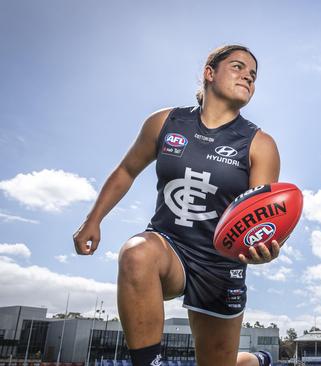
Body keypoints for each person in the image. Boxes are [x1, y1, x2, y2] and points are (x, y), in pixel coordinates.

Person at [73, 45, 278, 366]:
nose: (247, 78)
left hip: (220, 265)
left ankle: (253, 360)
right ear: (209, 73)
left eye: (253, 76)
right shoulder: (165, 122)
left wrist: (265, 247)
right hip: (169, 248)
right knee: (136, 252)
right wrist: (93, 218)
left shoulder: (260, 144)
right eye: (238, 67)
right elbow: (126, 170)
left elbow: (263, 215)